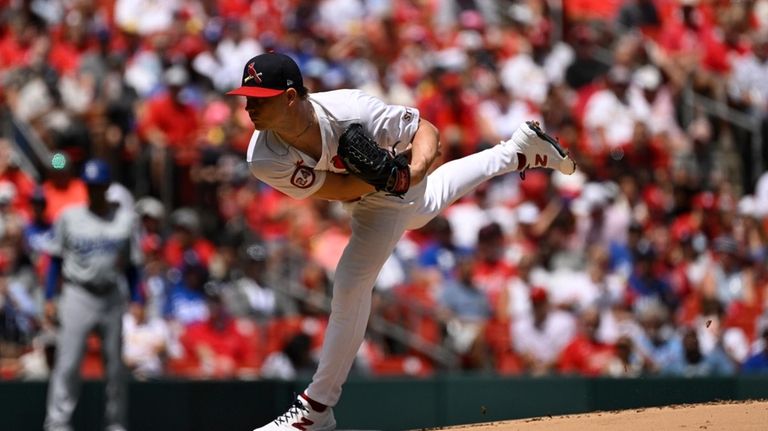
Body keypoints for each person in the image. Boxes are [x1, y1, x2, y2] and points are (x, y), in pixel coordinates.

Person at [226, 51, 576, 431]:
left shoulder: (351, 109)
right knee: (426, 205)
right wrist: (391, 179)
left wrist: (411, 171)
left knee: (350, 282)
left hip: (395, 180)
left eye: (259, 97)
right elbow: (337, 189)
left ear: (290, 97)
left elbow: (428, 133)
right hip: (369, 192)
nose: (248, 106)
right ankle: (517, 151)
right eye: (246, 96)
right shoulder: (262, 156)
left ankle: (317, 407)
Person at [43, 159, 143, 431]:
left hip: (111, 294)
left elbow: (133, 265)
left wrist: (137, 299)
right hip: (78, 293)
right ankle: (58, 423)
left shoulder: (125, 219)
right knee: (69, 363)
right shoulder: (69, 216)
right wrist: (50, 296)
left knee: (115, 367)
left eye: (99, 186)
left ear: (107, 186)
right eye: (90, 186)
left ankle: (116, 424)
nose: (94, 191)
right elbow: (54, 260)